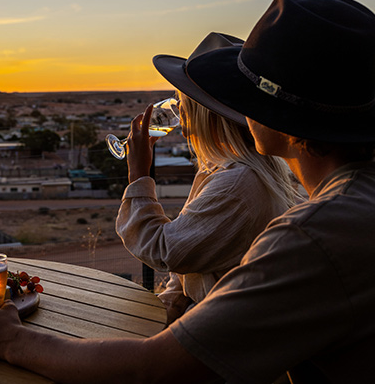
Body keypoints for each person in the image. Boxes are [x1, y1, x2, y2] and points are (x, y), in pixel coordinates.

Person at [0, 0, 375, 382]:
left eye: (245, 94)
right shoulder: (348, 204)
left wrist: (9, 340)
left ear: (283, 119)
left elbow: (156, 369)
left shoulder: (316, 234)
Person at [116, 33, 300, 323]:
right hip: (207, 319)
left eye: (183, 100)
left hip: (223, 329)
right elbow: (197, 256)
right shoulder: (228, 169)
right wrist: (172, 305)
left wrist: (138, 176)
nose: (177, 110)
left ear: (205, 111)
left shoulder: (238, 184)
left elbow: (166, 251)